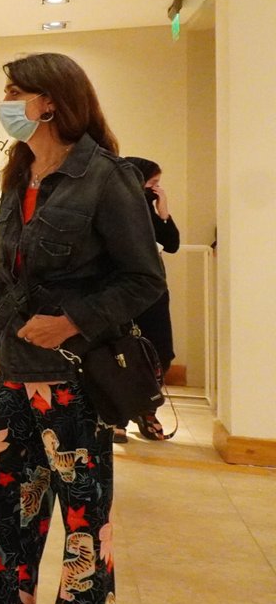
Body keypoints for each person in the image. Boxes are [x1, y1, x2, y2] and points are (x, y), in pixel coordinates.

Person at [0, 53, 165, 604]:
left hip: (72, 378)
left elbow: (144, 279)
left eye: (13, 93)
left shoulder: (106, 177)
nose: (5, 103)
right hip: (12, 369)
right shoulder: (19, 172)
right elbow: (11, 273)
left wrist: (71, 321)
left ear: (49, 102)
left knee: (83, 512)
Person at [119, 156, 178, 441]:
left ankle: (147, 409)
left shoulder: (149, 209)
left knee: (160, 351)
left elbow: (172, 244)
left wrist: (163, 212)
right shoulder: (118, 207)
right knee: (120, 353)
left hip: (153, 293)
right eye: (152, 183)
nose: (156, 189)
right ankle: (117, 415)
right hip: (121, 292)